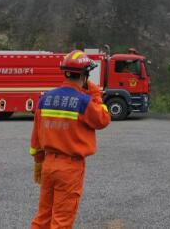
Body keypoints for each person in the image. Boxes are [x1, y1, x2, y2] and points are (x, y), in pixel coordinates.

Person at [29, 50, 112, 229]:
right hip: (70, 168)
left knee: (43, 216)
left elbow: (36, 134)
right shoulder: (85, 102)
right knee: (62, 220)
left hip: (48, 165)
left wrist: (38, 162)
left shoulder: (45, 99)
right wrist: (96, 94)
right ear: (84, 75)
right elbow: (104, 119)